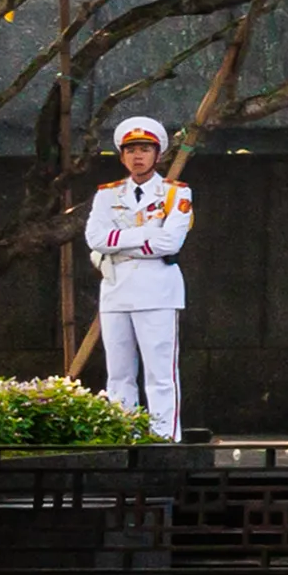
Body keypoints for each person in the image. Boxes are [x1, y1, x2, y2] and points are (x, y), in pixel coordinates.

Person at [84, 116, 194, 439]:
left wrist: (120, 241)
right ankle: (124, 434)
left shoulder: (175, 193)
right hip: (115, 290)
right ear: (122, 156)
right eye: (131, 150)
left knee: (160, 373)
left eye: (145, 149)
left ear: (157, 155)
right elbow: (95, 238)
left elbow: (170, 243)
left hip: (157, 291)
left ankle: (164, 438)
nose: (138, 156)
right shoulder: (107, 194)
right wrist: (146, 235)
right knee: (118, 374)